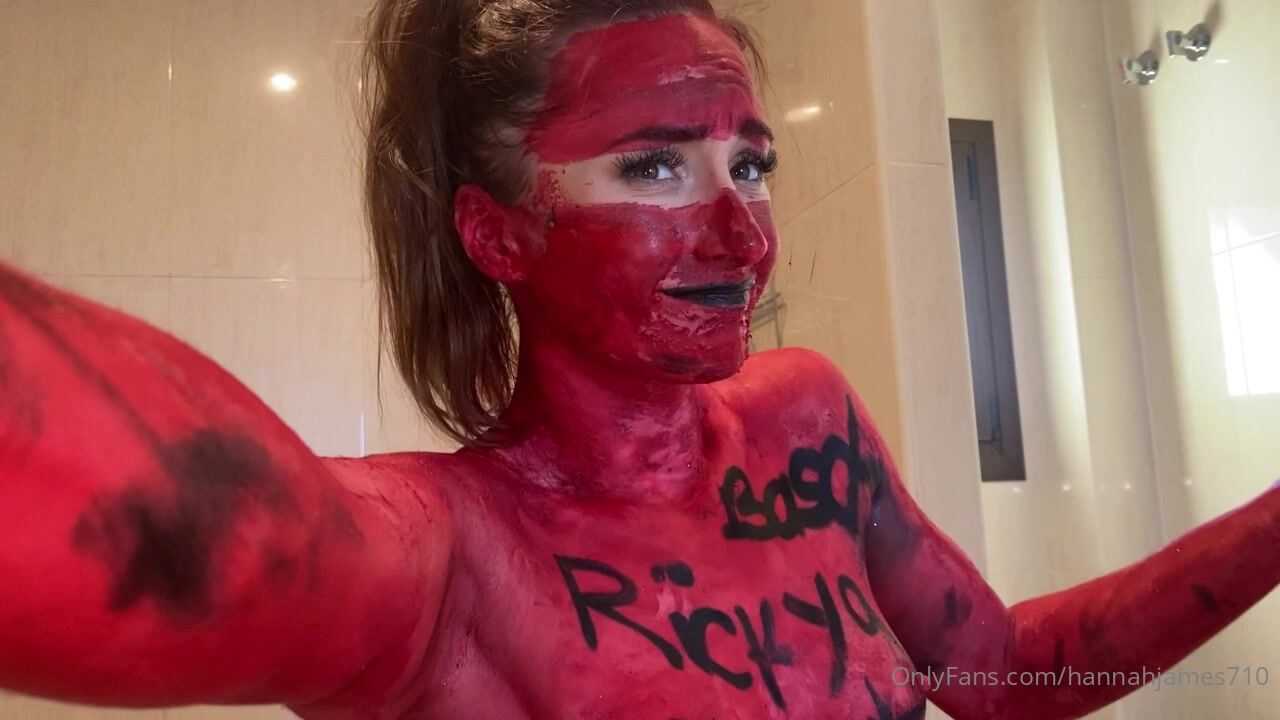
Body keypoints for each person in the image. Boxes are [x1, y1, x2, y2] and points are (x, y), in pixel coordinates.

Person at [0, 1, 1276, 718]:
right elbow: (197, 531)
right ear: (497, 231)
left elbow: (1000, 677)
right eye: (653, 166)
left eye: (749, 164)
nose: (743, 233)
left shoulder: (807, 420)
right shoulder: (447, 559)